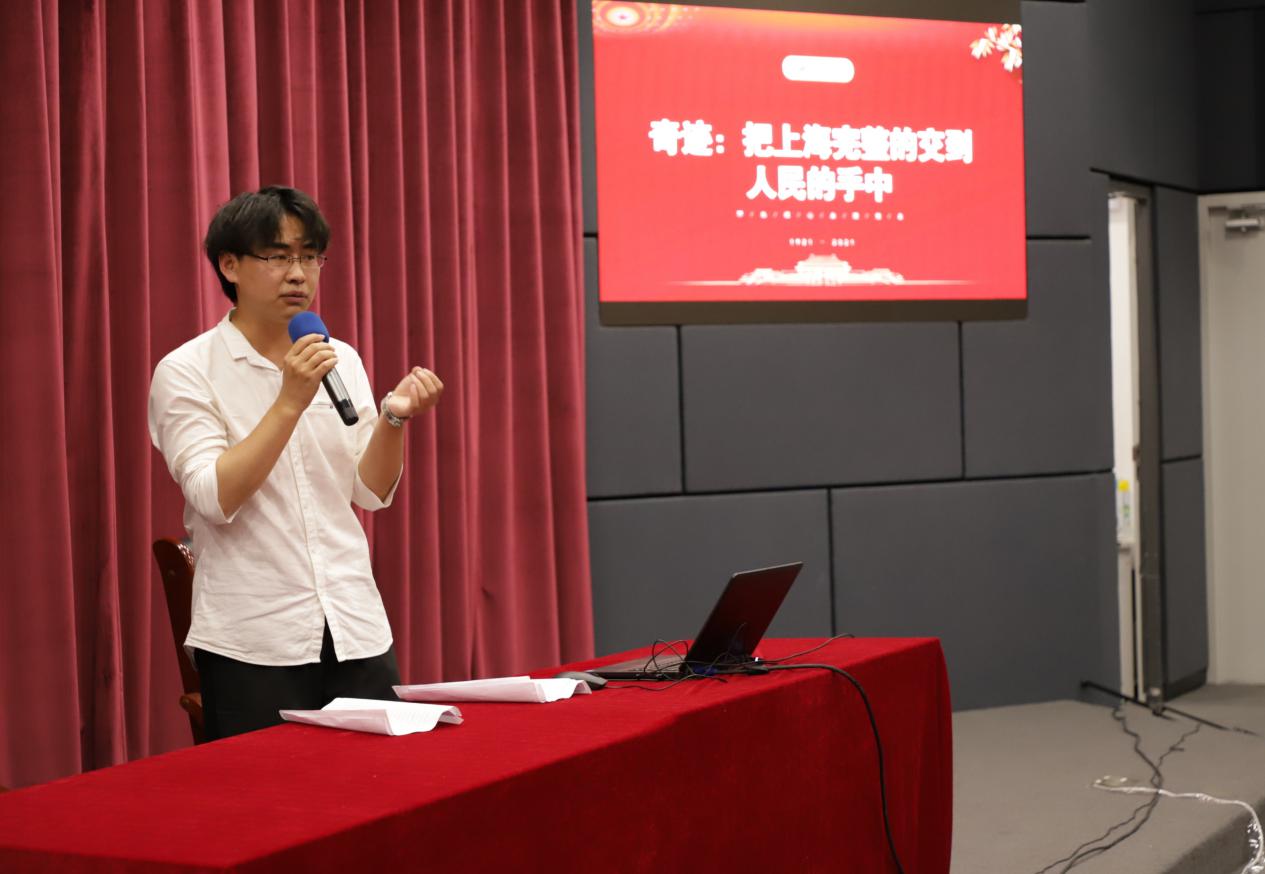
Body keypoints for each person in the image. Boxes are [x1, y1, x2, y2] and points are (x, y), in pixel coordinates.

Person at [148, 185, 442, 740]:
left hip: (354, 625)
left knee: (382, 785)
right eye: (278, 256)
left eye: (310, 257)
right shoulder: (187, 371)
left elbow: (369, 492)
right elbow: (213, 497)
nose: (298, 274)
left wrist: (393, 419)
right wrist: (289, 401)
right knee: (272, 794)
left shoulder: (338, 356)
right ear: (229, 265)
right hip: (254, 640)